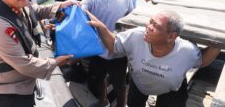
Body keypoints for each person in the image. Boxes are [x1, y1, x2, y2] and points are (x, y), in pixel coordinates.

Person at [0, 0, 77, 107]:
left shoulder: (19, 4)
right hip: (9, 93)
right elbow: (24, 64)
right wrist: (57, 61)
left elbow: (37, 10)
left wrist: (62, 5)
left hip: (25, 84)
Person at [87, 10, 221, 107]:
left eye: (155, 26)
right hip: (139, 84)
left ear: (171, 36)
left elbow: (202, 61)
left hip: (171, 90)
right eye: (150, 21)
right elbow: (114, 45)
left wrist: (219, 41)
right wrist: (101, 27)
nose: (148, 27)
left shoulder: (187, 51)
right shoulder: (135, 36)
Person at [81, 0, 134, 107]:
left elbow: (131, 18)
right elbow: (80, 12)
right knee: (98, 79)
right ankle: (103, 100)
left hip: (119, 48)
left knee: (120, 83)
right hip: (98, 48)